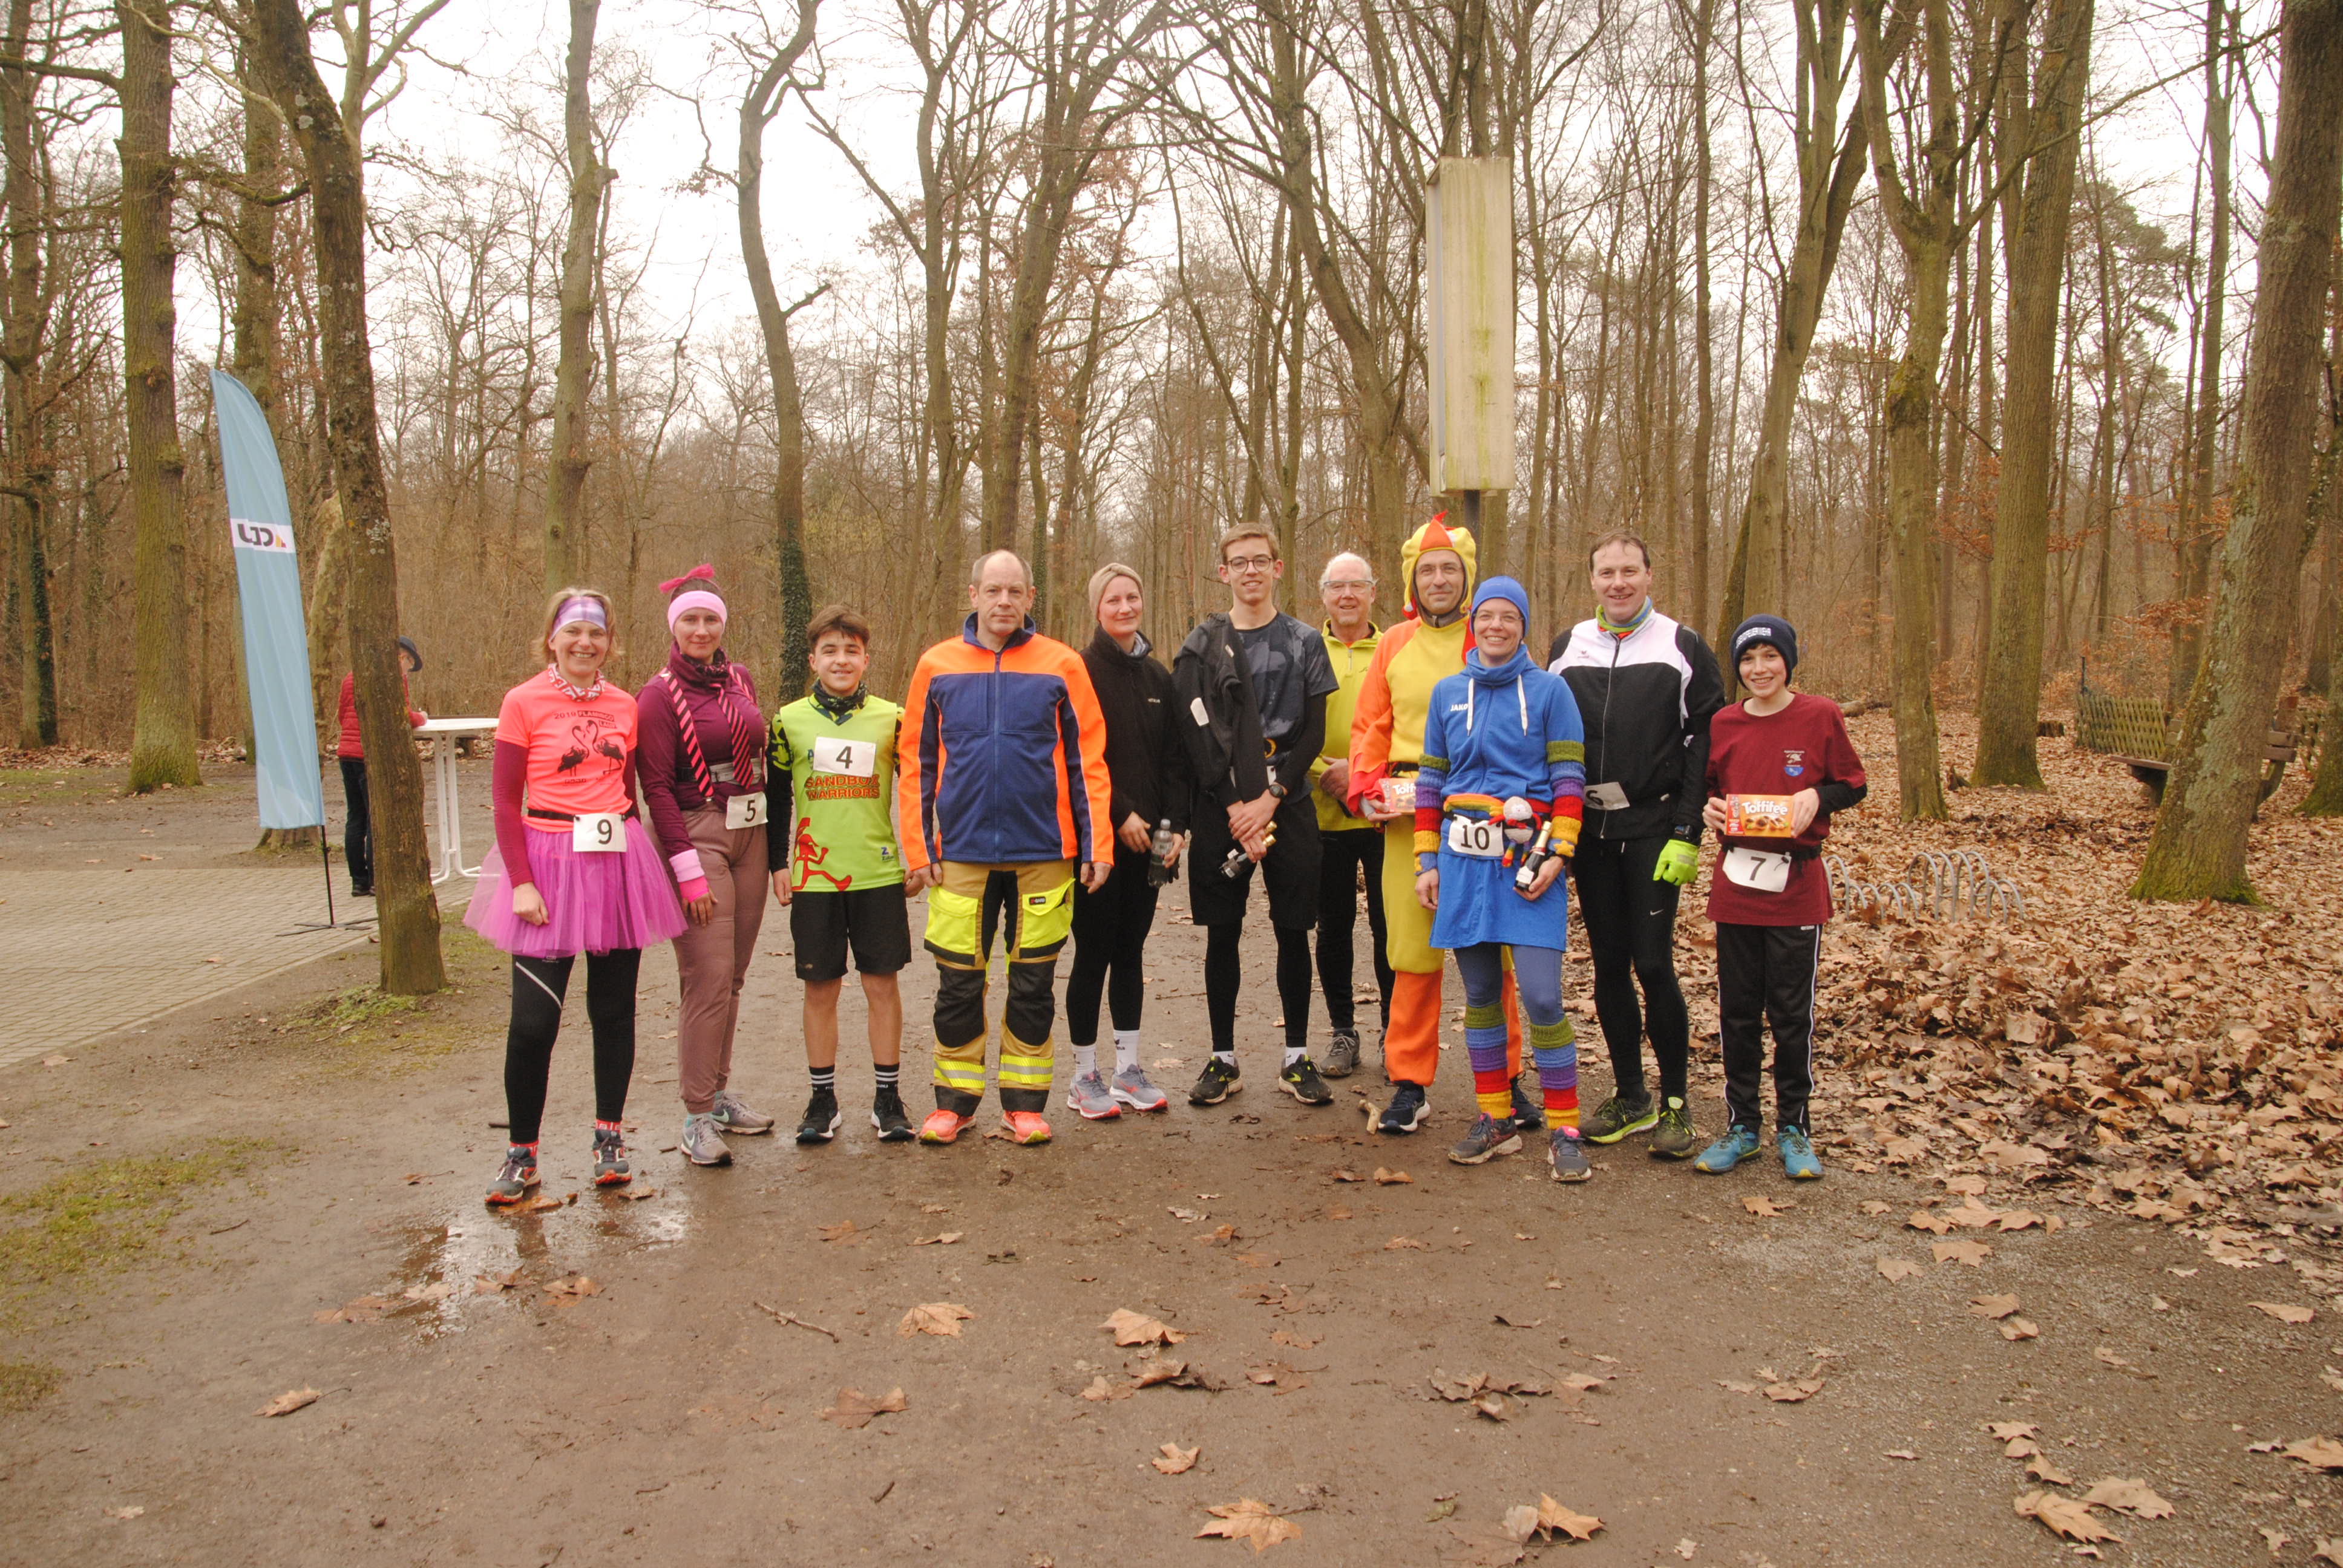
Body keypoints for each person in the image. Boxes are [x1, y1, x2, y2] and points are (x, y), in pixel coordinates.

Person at [466, 589, 687, 1205]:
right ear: (552, 639)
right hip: (545, 866)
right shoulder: (522, 701)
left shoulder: (624, 705)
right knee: (533, 1023)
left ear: (609, 643)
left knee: (613, 1013)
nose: (585, 643)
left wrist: (643, 870)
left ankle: (608, 1138)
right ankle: (522, 1153)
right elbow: (505, 801)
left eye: (597, 634)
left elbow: (627, 791)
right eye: (574, 632)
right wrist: (521, 882)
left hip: (615, 863)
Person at [897, 550, 1113, 1146]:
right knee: (958, 984)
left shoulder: (1062, 665)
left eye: (1014, 591)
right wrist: (919, 847)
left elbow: (1088, 762)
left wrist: (1097, 845)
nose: (1003, 601)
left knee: (1033, 984)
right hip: (960, 855)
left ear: (1029, 597)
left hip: (1044, 853)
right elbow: (914, 763)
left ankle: (1024, 1106)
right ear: (973, 594)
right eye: (993, 590)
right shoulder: (936, 665)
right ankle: (954, 1104)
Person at [1345, 517, 1536, 1137]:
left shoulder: (1490, 638)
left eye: (1449, 569)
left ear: (1466, 578)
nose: (1438, 580)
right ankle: (1408, 1083)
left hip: (1482, 813)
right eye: (1426, 570)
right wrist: (1365, 788)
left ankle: (1506, 1080)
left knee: (1494, 950)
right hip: (1410, 816)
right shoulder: (1394, 643)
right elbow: (1370, 725)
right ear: (1411, 581)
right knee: (1411, 954)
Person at [1548, 531, 1725, 1160]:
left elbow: (1705, 740)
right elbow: (1549, 735)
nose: (1618, 583)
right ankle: (1630, 1096)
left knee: (1652, 963)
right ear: (1592, 580)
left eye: (1629, 571)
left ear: (1649, 575)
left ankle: (1675, 1102)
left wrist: (1687, 830)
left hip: (1654, 826)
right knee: (1607, 965)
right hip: (1591, 831)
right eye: (1607, 572)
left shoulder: (1682, 645)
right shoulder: (1567, 646)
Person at [1414, 578, 1588, 1178]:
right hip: (1463, 862)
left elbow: (1568, 777)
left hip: (1528, 857)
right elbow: (1430, 781)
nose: (1496, 626)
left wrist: (1560, 851)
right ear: (1473, 624)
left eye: (1508, 617)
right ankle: (1496, 1119)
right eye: (1486, 616)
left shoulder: (1551, 691)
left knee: (1541, 996)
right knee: (1482, 995)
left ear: (1523, 626)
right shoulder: (1446, 693)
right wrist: (1427, 861)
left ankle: (1565, 1127)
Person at [1694, 615, 1867, 1181]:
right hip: (1737, 884)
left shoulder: (1820, 715)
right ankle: (1743, 1126)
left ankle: (1794, 1127)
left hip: (1797, 884)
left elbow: (1854, 784)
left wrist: (1819, 797)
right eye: (1748, 659)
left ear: (1788, 662)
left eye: (1770, 657)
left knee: (1792, 1014)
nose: (1759, 669)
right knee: (1738, 1012)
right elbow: (1711, 789)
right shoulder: (1724, 721)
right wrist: (1711, 810)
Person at [1175, 526, 1339, 1110]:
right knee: (1223, 932)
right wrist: (1233, 804)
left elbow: (1314, 732)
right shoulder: (1202, 644)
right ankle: (1223, 1059)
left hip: (1286, 803)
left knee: (1295, 929)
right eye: (1238, 563)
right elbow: (1194, 733)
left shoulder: (1304, 641)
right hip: (1221, 804)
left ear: (1277, 567)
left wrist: (1271, 797)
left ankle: (1297, 1057)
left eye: (1260, 561)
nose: (1250, 571)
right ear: (1224, 572)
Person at [636, 566, 774, 1169]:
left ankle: (718, 1096)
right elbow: (656, 789)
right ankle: (695, 1115)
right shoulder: (657, 695)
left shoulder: (739, 679)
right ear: (674, 626)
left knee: (734, 975)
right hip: (697, 833)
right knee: (708, 976)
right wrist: (686, 868)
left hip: (751, 831)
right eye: (689, 619)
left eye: (710, 619)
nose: (700, 630)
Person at [769, 604, 916, 1145]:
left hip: (877, 874)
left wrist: (921, 855)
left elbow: (918, 791)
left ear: (866, 659)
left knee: (882, 985)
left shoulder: (894, 718)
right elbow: (777, 799)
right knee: (820, 988)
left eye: (852, 651)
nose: (841, 660)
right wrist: (777, 863)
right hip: (815, 878)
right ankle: (822, 1099)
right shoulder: (786, 721)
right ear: (813, 659)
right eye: (830, 650)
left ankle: (888, 1098)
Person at [1064, 564, 1191, 1119]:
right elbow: (1076, 757)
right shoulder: (1079, 671)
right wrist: (1119, 815)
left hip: (1151, 845)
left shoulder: (1159, 677)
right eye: (1112, 600)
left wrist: (1175, 827)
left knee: (1131, 952)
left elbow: (1176, 761)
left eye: (1132, 597)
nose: (1124, 607)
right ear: (1097, 609)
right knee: (1093, 952)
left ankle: (1127, 1070)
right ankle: (1083, 1076)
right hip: (1097, 842)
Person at [1310, 552, 1393, 1078]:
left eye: (1356, 585)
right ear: (1323, 594)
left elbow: (1406, 720)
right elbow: (1288, 724)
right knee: (1333, 929)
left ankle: (1394, 1032)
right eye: (1336, 586)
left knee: (1391, 929)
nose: (1346, 595)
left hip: (1384, 813)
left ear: (1372, 592)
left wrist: (1361, 773)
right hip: (1321, 813)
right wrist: (1328, 772)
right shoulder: (1305, 648)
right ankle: (1344, 1031)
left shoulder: (1394, 647)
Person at [336, 636, 427, 898]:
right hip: (370, 755)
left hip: (347, 753)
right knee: (377, 819)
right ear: (402, 657)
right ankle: (378, 879)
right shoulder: (392, 678)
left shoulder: (352, 676)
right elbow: (404, 715)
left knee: (356, 817)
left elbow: (342, 714)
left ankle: (359, 880)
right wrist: (422, 717)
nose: (408, 670)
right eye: (409, 664)